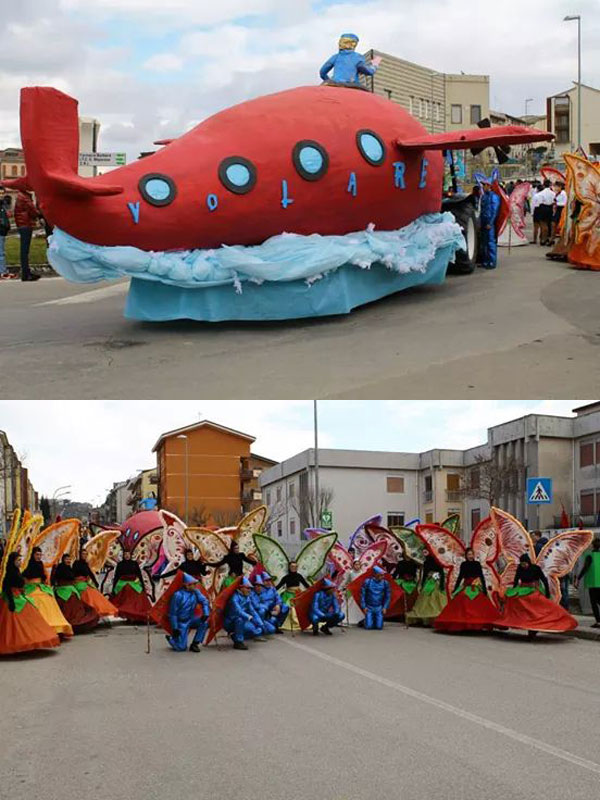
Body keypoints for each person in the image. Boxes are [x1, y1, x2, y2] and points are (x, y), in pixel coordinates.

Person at [498, 553, 577, 637]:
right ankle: (517, 621)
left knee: (537, 607)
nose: (523, 565)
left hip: (533, 589)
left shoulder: (535, 568)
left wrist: (547, 592)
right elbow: (516, 579)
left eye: (524, 564)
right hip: (522, 589)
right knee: (515, 600)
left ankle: (536, 627)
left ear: (528, 562)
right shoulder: (520, 568)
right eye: (522, 564)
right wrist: (514, 590)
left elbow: (544, 580)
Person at [0, 552, 60, 655]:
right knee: (13, 625)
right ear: (12, 561)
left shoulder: (17, 571)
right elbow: (6, 588)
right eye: (18, 560)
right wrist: (11, 601)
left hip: (20, 596)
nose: (20, 562)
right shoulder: (10, 573)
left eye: (20, 560)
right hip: (12, 599)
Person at [434, 548, 499, 632]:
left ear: (473, 555)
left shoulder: (477, 564)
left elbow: (481, 576)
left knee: (479, 600)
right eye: (468, 554)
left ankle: (479, 623)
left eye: (471, 554)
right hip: (466, 585)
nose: (470, 556)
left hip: (476, 586)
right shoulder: (463, 564)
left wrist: (484, 588)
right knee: (462, 597)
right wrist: (456, 588)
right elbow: (460, 576)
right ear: (466, 555)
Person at [22, 546, 73, 636]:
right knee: (36, 601)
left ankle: (55, 625)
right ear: (32, 555)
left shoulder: (41, 564)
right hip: (30, 587)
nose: (38, 556)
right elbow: (24, 576)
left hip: (41, 586)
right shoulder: (27, 564)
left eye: (40, 555)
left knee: (49, 597)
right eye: (37, 554)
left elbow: (45, 577)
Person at [51, 553, 99, 633]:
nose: (68, 561)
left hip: (71, 589)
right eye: (66, 559)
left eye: (69, 559)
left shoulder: (70, 568)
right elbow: (55, 580)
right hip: (62, 589)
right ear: (63, 560)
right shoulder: (59, 568)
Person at [166, 573, 210, 652]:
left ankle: (195, 643)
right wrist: (175, 627)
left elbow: (204, 601)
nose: (195, 586)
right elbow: (173, 614)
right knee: (181, 648)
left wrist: (206, 613)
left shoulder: (196, 592)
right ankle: (172, 639)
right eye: (193, 584)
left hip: (191, 618)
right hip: (181, 622)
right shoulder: (178, 595)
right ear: (187, 585)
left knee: (204, 623)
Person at [72, 551, 117, 618]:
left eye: (86, 554)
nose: (84, 555)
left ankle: (101, 609)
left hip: (85, 583)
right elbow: (73, 574)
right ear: (80, 555)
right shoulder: (76, 563)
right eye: (83, 554)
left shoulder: (86, 564)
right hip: (78, 583)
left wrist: (95, 582)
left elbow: (90, 573)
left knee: (95, 592)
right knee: (88, 593)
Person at [224, 576, 265, 650]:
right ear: (241, 588)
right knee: (240, 619)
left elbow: (252, 611)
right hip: (230, 621)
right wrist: (249, 617)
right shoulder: (234, 598)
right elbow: (238, 611)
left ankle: (235, 635)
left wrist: (260, 623)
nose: (249, 590)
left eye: (250, 588)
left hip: (242, 619)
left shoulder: (247, 598)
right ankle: (238, 642)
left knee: (254, 629)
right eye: (248, 588)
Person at [406, 553, 448, 627]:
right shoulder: (427, 561)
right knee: (427, 599)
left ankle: (433, 618)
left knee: (435, 598)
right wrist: (422, 584)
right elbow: (425, 574)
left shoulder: (439, 560)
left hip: (436, 582)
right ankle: (427, 619)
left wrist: (441, 583)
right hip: (429, 581)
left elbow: (441, 572)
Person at [110, 551, 152, 622]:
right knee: (126, 602)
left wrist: (143, 585)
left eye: (128, 554)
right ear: (123, 555)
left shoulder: (134, 564)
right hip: (123, 585)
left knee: (138, 600)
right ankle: (129, 616)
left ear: (131, 555)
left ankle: (136, 615)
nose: (127, 556)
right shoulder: (120, 564)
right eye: (125, 554)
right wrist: (113, 588)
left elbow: (139, 575)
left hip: (134, 584)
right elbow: (116, 576)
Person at [13, 189, 40, 281]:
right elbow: (33, 211)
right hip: (25, 225)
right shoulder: (25, 197)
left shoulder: (21, 196)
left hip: (22, 225)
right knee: (25, 250)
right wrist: (39, 214)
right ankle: (26, 274)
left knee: (24, 250)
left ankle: (27, 272)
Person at [576, 539, 600, 628]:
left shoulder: (590, 555)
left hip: (593, 583)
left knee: (594, 602)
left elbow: (585, 568)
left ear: (592, 545)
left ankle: (598, 621)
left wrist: (578, 578)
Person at [360, 566, 391, 630]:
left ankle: (374, 621)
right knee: (368, 627)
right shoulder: (367, 582)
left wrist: (385, 607)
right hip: (369, 606)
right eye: (381, 575)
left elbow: (387, 596)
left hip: (379, 607)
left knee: (379, 627)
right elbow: (363, 595)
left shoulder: (385, 583)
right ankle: (364, 621)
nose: (383, 577)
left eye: (383, 575)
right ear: (376, 574)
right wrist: (364, 606)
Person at [479, 182, 500, 269]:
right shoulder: (484, 196)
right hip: (484, 221)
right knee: (484, 243)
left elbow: (494, 211)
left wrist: (490, 223)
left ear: (489, 186)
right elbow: (482, 210)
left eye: (484, 185)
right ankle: (485, 261)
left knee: (490, 242)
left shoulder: (494, 197)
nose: (483, 187)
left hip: (489, 222)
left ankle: (492, 261)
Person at [535, 180, 555, 246]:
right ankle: (547, 238)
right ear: (550, 185)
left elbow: (539, 202)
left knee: (543, 224)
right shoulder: (553, 193)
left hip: (543, 207)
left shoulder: (540, 193)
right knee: (549, 224)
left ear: (543, 185)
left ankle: (543, 239)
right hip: (550, 208)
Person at [0, 190, 11, 278]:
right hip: (0, 230)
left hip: (3, 231)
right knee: (1, 253)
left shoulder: (3, 204)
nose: (1, 195)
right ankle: (3, 272)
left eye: (3, 193)